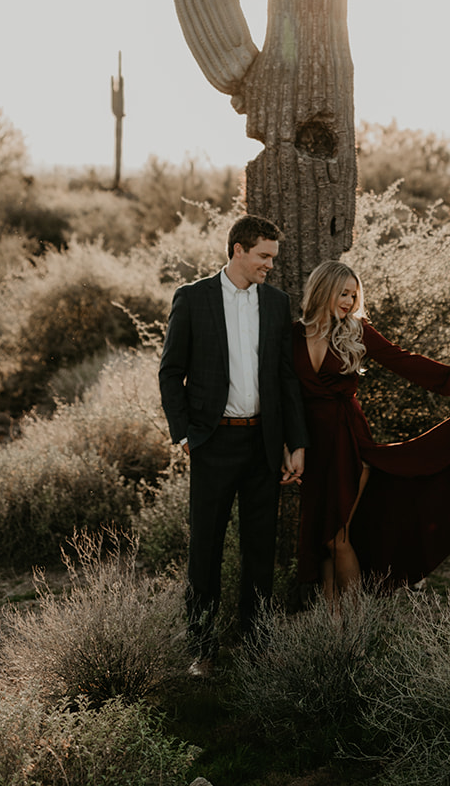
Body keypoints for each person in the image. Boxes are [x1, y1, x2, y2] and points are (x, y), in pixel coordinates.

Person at [294, 258, 450, 597]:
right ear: (323, 290)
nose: (349, 302)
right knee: (324, 539)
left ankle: (356, 627)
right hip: (311, 447)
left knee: (338, 536)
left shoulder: (357, 331)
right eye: (343, 294)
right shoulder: (293, 334)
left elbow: (402, 360)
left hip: (350, 441)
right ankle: (331, 626)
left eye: (353, 295)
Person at [158, 214, 308, 671]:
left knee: (260, 550)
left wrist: (295, 442)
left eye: (273, 258)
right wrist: (184, 433)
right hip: (213, 443)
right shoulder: (193, 298)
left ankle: (256, 645)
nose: (270, 265)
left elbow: (285, 378)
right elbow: (170, 372)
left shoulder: (277, 302)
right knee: (205, 549)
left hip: (263, 442)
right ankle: (202, 651)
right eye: (263, 256)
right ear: (238, 250)